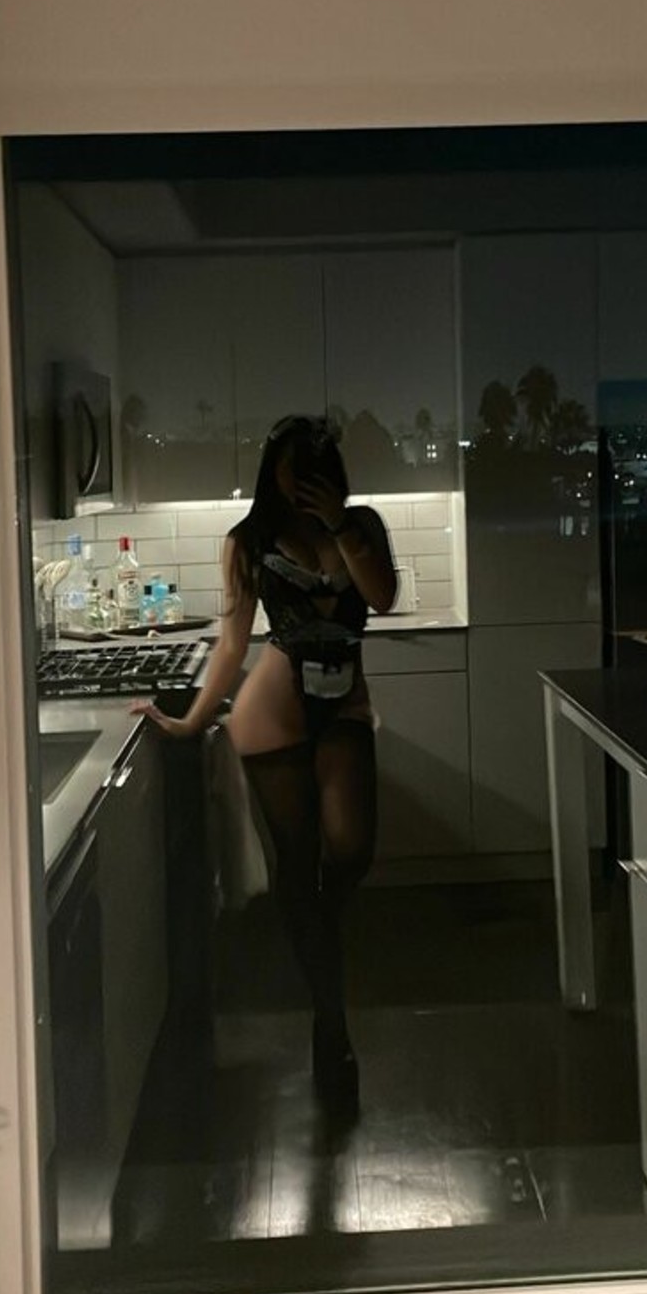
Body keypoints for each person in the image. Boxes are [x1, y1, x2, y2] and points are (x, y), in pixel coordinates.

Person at [136, 414, 397, 1113]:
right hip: (273, 707)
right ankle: (331, 1028)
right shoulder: (247, 540)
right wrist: (192, 720)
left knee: (351, 850)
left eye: (314, 469)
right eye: (290, 471)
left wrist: (338, 523)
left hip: (344, 705)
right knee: (298, 860)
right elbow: (232, 644)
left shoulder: (363, 526)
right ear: (271, 474)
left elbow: (381, 597)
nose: (300, 483)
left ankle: (313, 939)